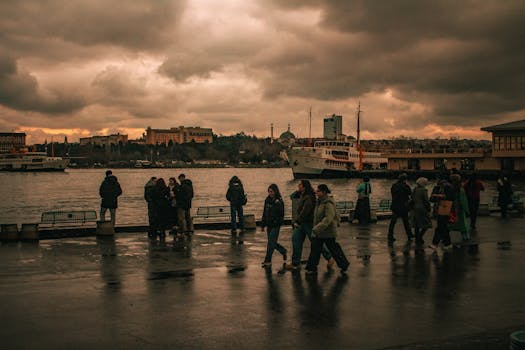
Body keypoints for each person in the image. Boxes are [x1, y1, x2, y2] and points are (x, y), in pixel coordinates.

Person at [286, 180, 334, 270]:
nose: (298, 186)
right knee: (296, 240)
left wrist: (298, 221)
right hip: (302, 223)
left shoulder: (308, 197)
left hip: (308, 223)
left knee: (315, 242)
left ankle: (329, 257)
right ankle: (295, 262)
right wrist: (297, 191)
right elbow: (291, 196)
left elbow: (305, 211)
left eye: (300, 185)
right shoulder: (302, 195)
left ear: (304, 187)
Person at [305, 184, 350, 275]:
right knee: (316, 249)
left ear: (324, 192)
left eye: (318, 191)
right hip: (321, 232)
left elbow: (328, 218)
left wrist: (316, 228)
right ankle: (311, 267)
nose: (316, 192)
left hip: (327, 231)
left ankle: (343, 264)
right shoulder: (320, 202)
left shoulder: (328, 203)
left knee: (333, 249)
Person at [261, 184, 287, 267]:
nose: (270, 193)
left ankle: (267, 260)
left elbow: (281, 213)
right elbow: (264, 212)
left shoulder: (279, 201)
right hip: (269, 224)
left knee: (270, 243)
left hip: (276, 225)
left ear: (275, 191)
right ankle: (283, 251)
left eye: (271, 191)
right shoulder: (267, 200)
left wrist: (277, 222)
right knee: (272, 243)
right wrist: (263, 224)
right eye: (269, 191)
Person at [429, 177, 456, 250]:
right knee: (443, 226)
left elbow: (450, 197)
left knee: (440, 226)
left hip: (444, 208)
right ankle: (447, 243)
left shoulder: (446, 187)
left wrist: (439, 196)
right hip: (444, 209)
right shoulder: (443, 187)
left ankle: (435, 243)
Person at [388, 173, 413, 242]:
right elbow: (410, 193)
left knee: (393, 222)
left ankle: (390, 235)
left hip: (395, 206)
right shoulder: (406, 186)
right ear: (404, 180)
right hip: (403, 206)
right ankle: (409, 234)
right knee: (406, 222)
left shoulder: (394, 186)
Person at [448, 174, 470, 241]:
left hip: (452, 207)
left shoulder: (450, 188)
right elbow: (463, 200)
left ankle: (446, 237)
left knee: (451, 222)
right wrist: (467, 209)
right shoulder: (461, 189)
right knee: (463, 222)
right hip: (460, 208)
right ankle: (465, 236)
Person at [412, 177, 432, 246]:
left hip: (415, 208)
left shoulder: (415, 189)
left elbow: (412, 198)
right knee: (426, 223)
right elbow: (426, 201)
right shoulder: (424, 190)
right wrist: (429, 208)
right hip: (422, 208)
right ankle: (420, 236)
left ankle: (417, 237)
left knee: (416, 224)